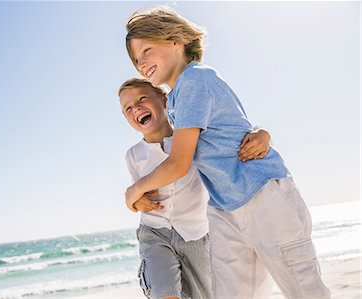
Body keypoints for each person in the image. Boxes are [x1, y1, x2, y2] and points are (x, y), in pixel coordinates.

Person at [123, 6, 330, 299]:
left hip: (263, 196)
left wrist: (133, 191)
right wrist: (262, 130)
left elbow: (179, 163)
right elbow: (229, 124)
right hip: (225, 209)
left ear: (174, 40)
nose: (141, 63)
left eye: (146, 50)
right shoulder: (177, 99)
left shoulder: (194, 80)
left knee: (304, 290)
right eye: (135, 59)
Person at [119, 78, 269, 299]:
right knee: (164, 292)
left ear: (164, 100)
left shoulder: (191, 140)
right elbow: (137, 194)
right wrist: (138, 201)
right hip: (154, 231)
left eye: (142, 99)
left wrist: (262, 133)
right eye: (128, 108)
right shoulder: (133, 155)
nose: (136, 108)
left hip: (196, 233)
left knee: (204, 294)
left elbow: (234, 136)